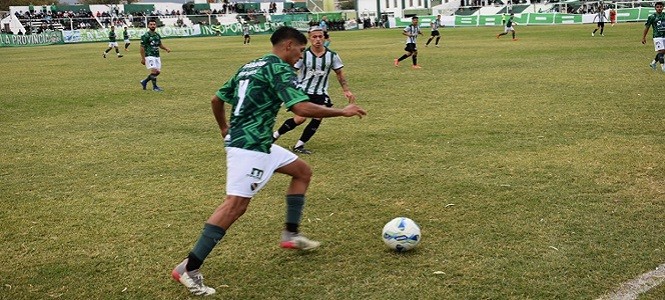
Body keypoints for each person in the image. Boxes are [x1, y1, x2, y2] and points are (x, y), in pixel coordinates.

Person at [170, 26, 366, 297]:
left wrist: (224, 128)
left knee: (302, 172)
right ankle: (188, 269)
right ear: (288, 45)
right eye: (299, 50)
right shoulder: (279, 68)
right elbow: (301, 108)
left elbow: (217, 99)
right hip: (249, 147)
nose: (300, 56)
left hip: (257, 141)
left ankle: (290, 234)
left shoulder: (250, 65)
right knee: (235, 206)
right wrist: (342, 112)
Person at [272, 26, 356, 154]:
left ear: (324, 37)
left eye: (320, 36)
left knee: (319, 116)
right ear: (309, 38)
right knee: (300, 119)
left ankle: (299, 145)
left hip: (321, 92)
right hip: (304, 91)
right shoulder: (303, 54)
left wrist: (346, 90)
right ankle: (275, 136)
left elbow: (339, 73)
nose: (317, 39)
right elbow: (292, 70)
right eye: (314, 37)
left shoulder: (332, 55)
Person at [140, 19, 171, 92]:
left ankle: (144, 82)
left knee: (158, 72)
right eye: (151, 24)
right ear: (148, 25)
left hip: (157, 55)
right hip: (149, 55)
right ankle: (155, 87)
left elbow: (160, 45)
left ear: (156, 25)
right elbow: (142, 48)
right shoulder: (145, 36)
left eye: (154, 24)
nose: (152, 26)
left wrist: (166, 48)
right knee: (154, 71)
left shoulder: (157, 35)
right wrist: (143, 58)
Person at [642, 2, 665, 72]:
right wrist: (643, 37)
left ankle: (653, 63)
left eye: (660, 7)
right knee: (661, 51)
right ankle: (663, 67)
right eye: (657, 7)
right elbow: (647, 27)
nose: (659, 8)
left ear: (663, 7)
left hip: (664, 36)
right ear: (655, 8)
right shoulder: (652, 17)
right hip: (657, 36)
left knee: (663, 52)